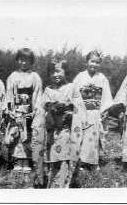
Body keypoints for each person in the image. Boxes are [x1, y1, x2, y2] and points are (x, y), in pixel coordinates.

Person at [40, 57, 88, 188]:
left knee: (64, 156)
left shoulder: (72, 87)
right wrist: (49, 106)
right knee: (52, 156)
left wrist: (70, 110)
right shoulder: (47, 90)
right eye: (51, 72)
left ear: (65, 71)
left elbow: (79, 106)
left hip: (67, 129)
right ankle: (52, 183)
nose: (55, 75)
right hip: (52, 129)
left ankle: (63, 184)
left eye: (58, 71)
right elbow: (42, 106)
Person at [73, 50, 113, 170]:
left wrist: (105, 110)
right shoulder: (80, 77)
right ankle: (82, 162)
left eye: (97, 62)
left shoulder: (102, 78)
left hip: (96, 112)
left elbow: (106, 96)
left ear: (99, 64)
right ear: (86, 62)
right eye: (92, 61)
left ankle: (94, 162)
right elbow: (74, 93)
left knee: (95, 137)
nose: (94, 64)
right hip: (82, 111)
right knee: (83, 136)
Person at [5, 48, 43, 173]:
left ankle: (26, 161)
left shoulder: (35, 76)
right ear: (17, 60)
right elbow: (9, 94)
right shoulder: (13, 76)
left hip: (29, 110)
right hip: (16, 110)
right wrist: (10, 109)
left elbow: (38, 94)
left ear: (31, 61)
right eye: (21, 59)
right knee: (16, 135)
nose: (24, 62)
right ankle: (17, 162)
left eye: (27, 60)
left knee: (27, 136)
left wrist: (35, 110)